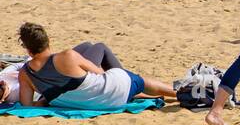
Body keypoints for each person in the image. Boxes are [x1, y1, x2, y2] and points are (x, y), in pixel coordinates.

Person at [14, 23, 175, 110]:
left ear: (28, 49)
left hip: (87, 100)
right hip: (115, 92)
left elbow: (27, 105)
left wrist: (47, 98)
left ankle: (136, 92)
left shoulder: (25, 74)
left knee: (86, 46)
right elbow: (99, 72)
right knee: (137, 80)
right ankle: (179, 94)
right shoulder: (67, 56)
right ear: (48, 41)